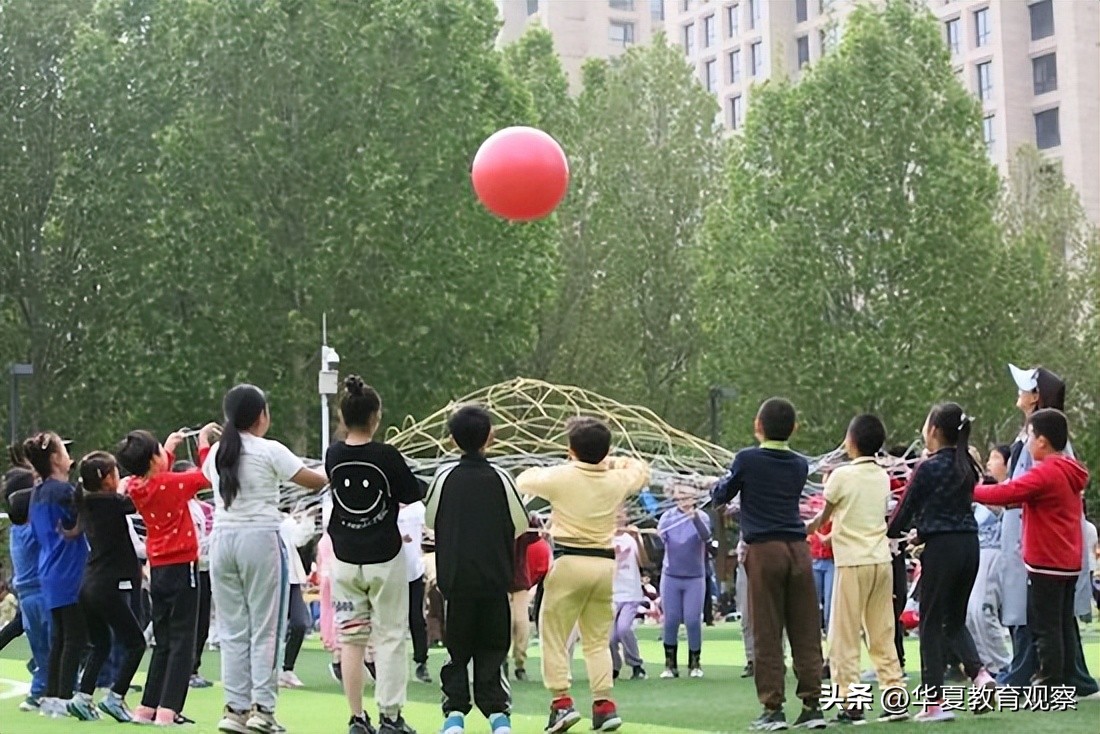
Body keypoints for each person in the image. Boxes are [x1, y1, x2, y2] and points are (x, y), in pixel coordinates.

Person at [203, 385, 328, 734]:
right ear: (261, 416)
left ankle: (235, 708)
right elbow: (315, 482)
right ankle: (263, 709)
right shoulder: (270, 450)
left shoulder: (216, 453)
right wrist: (338, 464)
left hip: (222, 541)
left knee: (233, 629)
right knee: (267, 628)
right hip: (260, 539)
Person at [516, 416, 650, 733]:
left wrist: (567, 464)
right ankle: (604, 704)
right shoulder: (615, 480)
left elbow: (523, 479)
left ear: (571, 449)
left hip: (569, 562)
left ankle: (561, 703)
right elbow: (641, 470)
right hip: (604, 567)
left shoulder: (562, 476)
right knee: (597, 640)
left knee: (553, 637)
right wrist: (611, 461)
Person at [711, 398, 826, 731]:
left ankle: (773, 708)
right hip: (799, 550)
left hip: (764, 550)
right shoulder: (800, 464)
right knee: (805, 628)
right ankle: (812, 704)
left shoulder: (746, 459)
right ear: (793, 428)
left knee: (767, 630)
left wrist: (718, 484)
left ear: (757, 426)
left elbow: (722, 496)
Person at [325, 376, 423, 734]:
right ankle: (391, 716)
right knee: (391, 636)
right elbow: (410, 494)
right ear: (376, 417)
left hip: (345, 556)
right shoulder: (386, 456)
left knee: (351, 638)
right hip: (384, 554)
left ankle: (356, 717)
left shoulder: (333, 454)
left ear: (342, 414)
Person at [887, 403, 996, 723]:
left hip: (942, 550)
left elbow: (903, 510)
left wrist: (890, 533)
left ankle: (933, 702)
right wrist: (925, 531)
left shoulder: (927, 467)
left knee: (931, 624)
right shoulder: (967, 466)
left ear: (933, 429)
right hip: (968, 546)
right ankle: (980, 675)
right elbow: (949, 510)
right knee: (954, 620)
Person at [424, 404, 529, 734]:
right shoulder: (501, 477)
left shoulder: (444, 477)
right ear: (490, 437)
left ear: (452, 440)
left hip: (455, 579)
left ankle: (454, 714)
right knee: (493, 648)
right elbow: (522, 523)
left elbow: (429, 519)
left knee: (457, 649)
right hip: (495, 578)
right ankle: (498, 715)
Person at [973, 409, 1089, 688]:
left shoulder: (1046, 473)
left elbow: (1008, 492)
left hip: (1045, 562)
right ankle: (1062, 678)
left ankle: (1050, 680)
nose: (1026, 443)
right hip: (1067, 561)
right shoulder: (1069, 471)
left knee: (1046, 626)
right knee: (1061, 625)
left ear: (1042, 441)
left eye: (1030, 436)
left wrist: (970, 490)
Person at [806, 414, 905, 724]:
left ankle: (851, 702)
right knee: (882, 633)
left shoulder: (841, 477)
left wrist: (804, 529)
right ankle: (895, 697)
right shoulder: (882, 476)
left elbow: (825, 515)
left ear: (851, 441)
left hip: (852, 563)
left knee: (843, 636)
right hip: (881, 562)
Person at [118, 424, 218, 725]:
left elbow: (158, 480)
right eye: (159, 450)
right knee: (184, 641)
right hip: (183, 566)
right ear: (152, 459)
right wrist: (203, 446)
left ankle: (147, 706)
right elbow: (205, 477)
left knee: (163, 640)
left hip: (158, 568)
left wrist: (169, 448)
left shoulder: (137, 487)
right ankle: (169, 709)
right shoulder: (171, 485)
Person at [72, 451, 147, 722]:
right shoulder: (113, 504)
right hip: (107, 587)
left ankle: (83, 697)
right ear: (106, 479)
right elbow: (136, 501)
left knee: (101, 644)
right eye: (115, 472)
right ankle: (116, 698)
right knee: (136, 643)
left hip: (88, 585)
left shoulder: (87, 503)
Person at [25, 432, 90, 720]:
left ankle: (51, 697)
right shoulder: (63, 492)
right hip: (69, 571)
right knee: (74, 638)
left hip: (50, 570)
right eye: (64, 450)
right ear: (54, 458)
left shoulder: (38, 492)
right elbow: (83, 513)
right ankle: (64, 697)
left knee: (61, 638)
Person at [4, 466, 51, 713]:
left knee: (40, 646)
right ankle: (48, 688)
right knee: (54, 643)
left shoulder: (15, 531)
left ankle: (38, 688)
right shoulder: (33, 532)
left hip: (26, 598)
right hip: (42, 595)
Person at [964, 446, 1011, 676]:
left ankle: (1003, 662)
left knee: (983, 610)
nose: (991, 461)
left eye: (996, 457)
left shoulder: (1003, 490)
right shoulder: (981, 488)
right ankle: (989, 664)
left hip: (995, 553)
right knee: (971, 613)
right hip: (978, 553)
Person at [657, 484, 711, 679]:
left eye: (688, 496)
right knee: (670, 620)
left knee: (692, 620)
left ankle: (695, 662)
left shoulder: (701, 516)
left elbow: (706, 537)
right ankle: (670, 664)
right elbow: (660, 540)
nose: (684, 500)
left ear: (695, 498)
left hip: (694, 576)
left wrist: (694, 518)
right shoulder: (668, 517)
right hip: (671, 574)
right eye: (681, 495)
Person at [279, 507, 319, 689]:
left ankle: (287, 668)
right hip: (269, 578)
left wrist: (308, 517)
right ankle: (269, 671)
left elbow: (300, 538)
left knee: (300, 622)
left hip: (291, 579)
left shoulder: (285, 520)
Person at [610, 506, 648, 681]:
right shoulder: (604, 539)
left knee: (624, 628)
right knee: (610, 637)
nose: (618, 519)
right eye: (614, 516)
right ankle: (613, 667)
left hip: (630, 593)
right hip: (610, 594)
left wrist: (638, 538)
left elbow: (643, 562)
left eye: (621, 516)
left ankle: (636, 665)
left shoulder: (630, 539)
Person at [398, 499, 432, 684]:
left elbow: (430, 529)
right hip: (391, 571)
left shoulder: (417, 508)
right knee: (390, 620)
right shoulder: (386, 504)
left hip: (414, 572)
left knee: (416, 618)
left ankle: (421, 662)